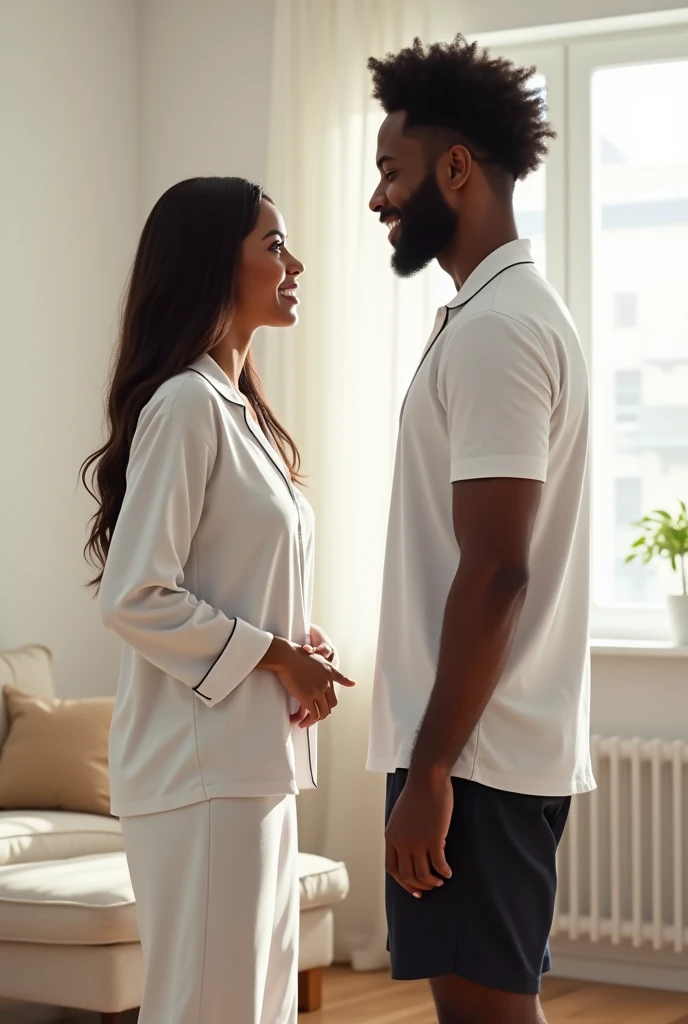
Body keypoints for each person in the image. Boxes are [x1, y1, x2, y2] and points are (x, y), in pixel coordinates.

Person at [81, 176, 355, 1024]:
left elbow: (226, 577)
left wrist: (295, 639)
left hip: (251, 765)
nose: (294, 261)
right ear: (213, 267)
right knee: (210, 1009)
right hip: (199, 775)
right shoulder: (184, 407)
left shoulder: (239, 413)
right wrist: (277, 656)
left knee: (258, 1009)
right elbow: (133, 596)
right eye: (273, 245)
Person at [365, 37, 594, 1024]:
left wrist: (431, 769)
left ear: (455, 169)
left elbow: (497, 570)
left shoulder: (500, 328)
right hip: (481, 753)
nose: (378, 199)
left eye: (391, 171)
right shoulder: (493, 314)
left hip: (474, 760)